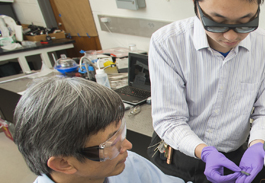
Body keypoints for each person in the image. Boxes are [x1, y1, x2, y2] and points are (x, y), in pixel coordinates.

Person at [147, 0, 265, 182]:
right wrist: (205, 151)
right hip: (179, 155)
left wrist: (258, 144)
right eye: (217, 22)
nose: (231, 36)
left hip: (235, 156)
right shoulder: (168, 43)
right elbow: (169, 120)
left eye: (246, 22)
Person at [13, 77, 186, 183]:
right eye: (112, 143)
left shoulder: (128, 164)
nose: (128, 145)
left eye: (121, 132)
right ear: (63, 163)